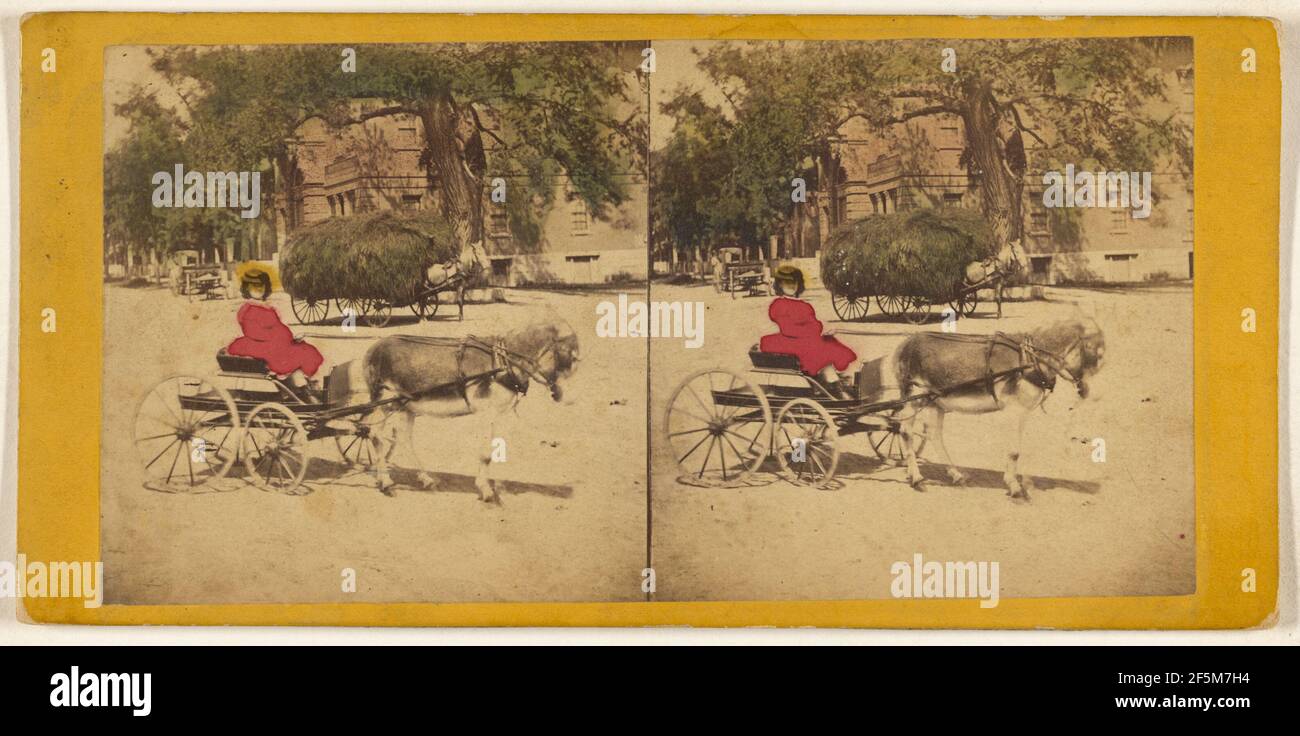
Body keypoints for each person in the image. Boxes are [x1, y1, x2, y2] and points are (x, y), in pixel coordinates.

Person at [760, 266, 857, 399]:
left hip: (803, 338)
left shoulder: (804, 305)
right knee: (817, 346)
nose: (791, 286)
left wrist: (824, 329)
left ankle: (834, 380)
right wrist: (816, 331)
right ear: (780, 285)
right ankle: (833, 384)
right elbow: (788, 329)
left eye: (794, 282)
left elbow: (814, 323)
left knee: (830, 343)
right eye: (787, 282)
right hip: (788, 339)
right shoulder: (779, 305)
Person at [227, 302, 324, 402]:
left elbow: (276, 325)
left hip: (272, 338)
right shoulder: (249, 311)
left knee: (304, 351)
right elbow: (252, 330)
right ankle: (302, 390)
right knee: (281, 357)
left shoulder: (266, 309)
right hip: (260, 339)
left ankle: (308, 387)